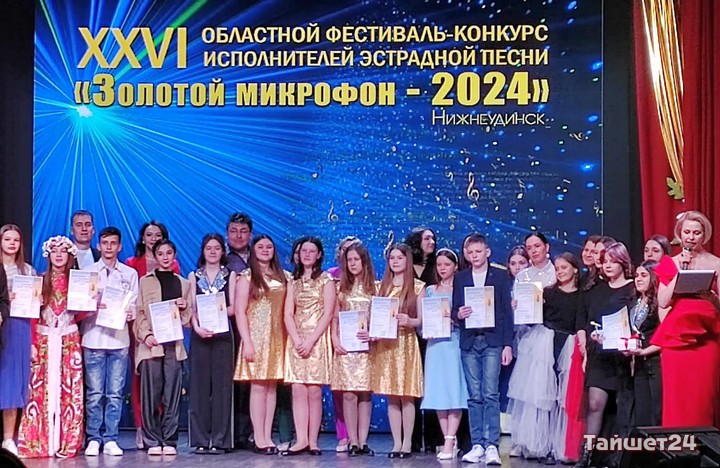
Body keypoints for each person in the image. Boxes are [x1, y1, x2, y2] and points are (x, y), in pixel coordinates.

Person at [508, 253, 582, 464]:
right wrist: (520, 307)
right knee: (543, 395)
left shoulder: (581, 295)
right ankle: (542, 444)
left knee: (563, 397)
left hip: (569, 344)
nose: (560, 272)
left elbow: (580, 321)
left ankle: (561, 445)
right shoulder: (548, 292)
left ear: (575, 269)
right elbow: (533, 317)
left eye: (564, 268)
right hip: (545, 344)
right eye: (557, 268)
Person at [17, 236, 84, 458]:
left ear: (69, 255)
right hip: (44, 338)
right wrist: (32, 344)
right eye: (54, 251)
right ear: (48, 255)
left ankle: (67, 441)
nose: (58, 255)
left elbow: (82, 312)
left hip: (69, 338)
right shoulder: (39, 280)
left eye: (63, 251)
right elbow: (32, 314)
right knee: (39, 390)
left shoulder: (78, 282)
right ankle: (38, 441)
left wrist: (93, 304)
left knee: (69, 389)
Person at [652, 211, 720, 428]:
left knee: (703, 396)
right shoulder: (670, 263)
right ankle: (677, 443)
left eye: (696, 233)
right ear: (679, 234)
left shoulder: (716, 263)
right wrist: (679, 273)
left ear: (704, 235)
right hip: (677, 337)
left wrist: (711, 297)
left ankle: (703, 443)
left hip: (707, 335)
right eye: (687, 232)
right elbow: (663, 301)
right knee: (676, 396)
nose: (691, 237)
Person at [451, 233, 513, 466]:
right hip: (469, 341)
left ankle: (492, 445)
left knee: (490, 393)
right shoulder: (461, 277)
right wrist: (459, 313)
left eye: (478, 251)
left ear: (487, 252)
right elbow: (455, 308)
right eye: (470, 252)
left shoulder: (499, 276)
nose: (474, 256)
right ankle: (477, 443)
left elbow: (506, 312)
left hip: (492, 341)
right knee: (474, 395)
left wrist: (508, 344)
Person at [575, 242, 636, 468]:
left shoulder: (632, 289)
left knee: (621, 408)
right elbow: (587, 320)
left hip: (623, 356)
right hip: (600, 355)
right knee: (595, 404)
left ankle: (618, 457)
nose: (608, 265)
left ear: (623, 263)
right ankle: (587, 455)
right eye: (605, 261)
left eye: (613, 261)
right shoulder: (596, 290)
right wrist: (591, 339)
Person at [81, 227, 139, 457]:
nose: (108, 247)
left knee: (114, 393)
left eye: (113, 243)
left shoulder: (129, 274)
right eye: (105, 243)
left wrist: (130, 312)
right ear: (99, 245)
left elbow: (134, 304)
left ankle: (111, 438)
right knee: (94, 393)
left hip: (119, 340)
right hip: (93, 338)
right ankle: (94, 438)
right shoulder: (87, 272)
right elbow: (78, 305)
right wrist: (90, 305)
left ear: (119, 246)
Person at [133, 239, 193, 456]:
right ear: (155, 256)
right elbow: (140, 312)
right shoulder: (145, 281)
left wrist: (184, 308)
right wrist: (146, 335)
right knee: (150, 394)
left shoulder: (183, 283)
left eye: (169, 253)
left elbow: (187, 320)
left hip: (173, 346)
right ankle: (152, 440)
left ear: (174, 255)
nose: (165, 257)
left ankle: (170, 439)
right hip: (151, 345)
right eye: (161, 253)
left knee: (172, 395)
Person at [124, 220, 179, 449]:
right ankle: (142, 428)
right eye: (149, 234)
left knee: (167, 383)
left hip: (168, 334)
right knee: (142, 379)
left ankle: (165, 433)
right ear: (143, 238)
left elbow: (177, 302)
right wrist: (144, 332)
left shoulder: (175, 270)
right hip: (141, 329)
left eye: (158, 234)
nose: (153, 238)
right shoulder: (132, 264)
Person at [234, 235, 290, 455]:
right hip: (255, 337)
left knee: (271, 386)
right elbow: (240, 311)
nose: (265, 250)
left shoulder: (283, 276)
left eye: (269, 247)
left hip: (277, 337)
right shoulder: (246, 277)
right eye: (260, 247)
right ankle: (258, 437)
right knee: (258, 387)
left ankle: (267, 435)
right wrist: (247, 341)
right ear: (253, 250)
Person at [370, 243, 425, 459]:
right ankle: (396, 443)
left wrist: (410, 320)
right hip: (387, 345)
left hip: (406, 344)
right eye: (392, 258)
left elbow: (421, 320)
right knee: (392, 395)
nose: (395, 261)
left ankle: (407, 442)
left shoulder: (418, 287)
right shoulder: (381, 287)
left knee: (407, 395)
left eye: (399, 258)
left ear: (407, 260)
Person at [282, 237, 335, 456]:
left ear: (319, 255)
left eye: (312, 251)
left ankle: (313, 441)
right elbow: (288, 313)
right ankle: (301, 439)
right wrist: (296, 340)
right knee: (298, 390)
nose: (307, 254)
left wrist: (311, 340)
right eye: (304, 250)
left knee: (314, 390)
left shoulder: (326, 280)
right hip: (296, 339)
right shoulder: (292, 281)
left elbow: (328, 313)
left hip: (317, 339)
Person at [188, 234, 236, 454]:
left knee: (222, 389)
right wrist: (197, 327)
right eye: (209, 248)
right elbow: (191, 309)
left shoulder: (230, 275)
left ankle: (220, 440)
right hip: (200, 335)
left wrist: (216, 313)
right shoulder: (194, 276)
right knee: (199, 388)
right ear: (203, 251)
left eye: (217, 248)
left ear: (222, 251)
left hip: (223, 336)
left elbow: (233, 308)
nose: (213, 252)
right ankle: (200, 439)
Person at [421, 248, 468, 460]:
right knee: (439, 392)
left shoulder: (461, 290)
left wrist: (454, 321)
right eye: (439, 265)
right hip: (435, 346)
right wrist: (427, 330)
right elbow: (423, 320)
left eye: (446, 264)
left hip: (453, 343)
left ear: (455, 266)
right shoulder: (430, 290)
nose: (442, 268)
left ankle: (449, 440)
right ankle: (448, 438)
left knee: (454, 391)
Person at [330, 240, 376, 457]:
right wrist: (334, 338)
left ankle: (364, 440)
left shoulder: (375, 287)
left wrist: (373, 334)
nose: (353, 263)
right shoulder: (340, 288)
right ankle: (353, 441)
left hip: (367, 348)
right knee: (348, 393)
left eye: (356, 259)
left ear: (364, 261)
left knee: (365, 394)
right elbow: (334, 317)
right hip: (346, 348)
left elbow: (380, 318)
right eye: (349, 260)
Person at [0, 225, 34, 456]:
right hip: (3, 323)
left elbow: (36, 300)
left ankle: (8, 438)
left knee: (12, 384)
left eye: (16, 240)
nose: (12, 243)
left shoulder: (27, 270)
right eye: (7, 239)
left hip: (19, 327)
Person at [406, 226, 440, 453]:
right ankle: (413, 438)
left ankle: (434, 438)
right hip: (408, 333)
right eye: (427, 238)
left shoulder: (437, 266)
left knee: (432, 383)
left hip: (433, 332)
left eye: (433, 238)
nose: (432, 242)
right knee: (412, 385)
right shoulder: (405, 267)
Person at [326, 235, 358, 453]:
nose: (349, 255)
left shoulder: (365, 278)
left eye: (353, 251)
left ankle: (358, 437)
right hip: (335, 335)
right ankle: (343, 435)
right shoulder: (331, 276)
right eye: (345, 251)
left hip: (359, 339)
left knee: (358, 389)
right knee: (338, 389)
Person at [225, 212, 254, 449]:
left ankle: (251, 432)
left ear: (250, 235)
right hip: (229, 331)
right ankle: (230, 433)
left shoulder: (262, 258)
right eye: (234, 231)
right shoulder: (220, 259)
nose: (238, 236)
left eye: (243, 231)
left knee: (253, 383)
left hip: (258, 329)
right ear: (227, 234)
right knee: (232, 382)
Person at [623, 260, 662, 426]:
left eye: (643, 275)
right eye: (636, 275)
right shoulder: (634, 301)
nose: (638, 279)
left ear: (653, 278)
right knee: (642, 412)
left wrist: (646, 351)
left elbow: (668, 335)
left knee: (657, 411)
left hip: (656, 362)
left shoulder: (661, 303)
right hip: (639, 363)